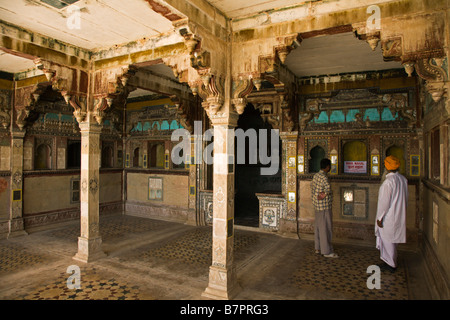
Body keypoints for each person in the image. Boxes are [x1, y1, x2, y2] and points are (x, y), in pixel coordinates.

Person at [375, 155, 408, 272]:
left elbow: (384, 203)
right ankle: (389, 260)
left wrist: (379, 218)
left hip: (388, 216)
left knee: (388, 239)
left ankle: (391, 264)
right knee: (392, 240)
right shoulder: (403, 179)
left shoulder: (388, 183)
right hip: (398, 214)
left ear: (386, 168)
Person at [310, 158, 338, 258]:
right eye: (329, 166)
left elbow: (312, 189)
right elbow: (328, 188)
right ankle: (326, 251)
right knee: (326, 228)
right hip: (324, 206)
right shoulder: (324, 177)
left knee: (318, 227)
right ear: (327, 167)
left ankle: (318, 248)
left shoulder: (316, 176)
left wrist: (317, 198)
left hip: (317, 206)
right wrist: (323, 195)